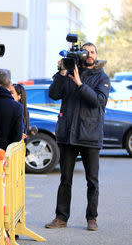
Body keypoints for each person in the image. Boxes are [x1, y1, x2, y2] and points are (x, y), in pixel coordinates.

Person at [45, 42, 110, 231]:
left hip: (90, 135)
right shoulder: (70, 71)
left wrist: (80, 84)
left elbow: (98, 102)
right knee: (65, 179)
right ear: (81, 55)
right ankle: (61, 218)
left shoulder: (102, 77)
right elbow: (54, 94)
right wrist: (62, 73)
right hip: (68, 135)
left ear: (96, 55)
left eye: (92, 52)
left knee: (92, 180)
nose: (89, 55)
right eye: (86, 52)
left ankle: (92, 218)